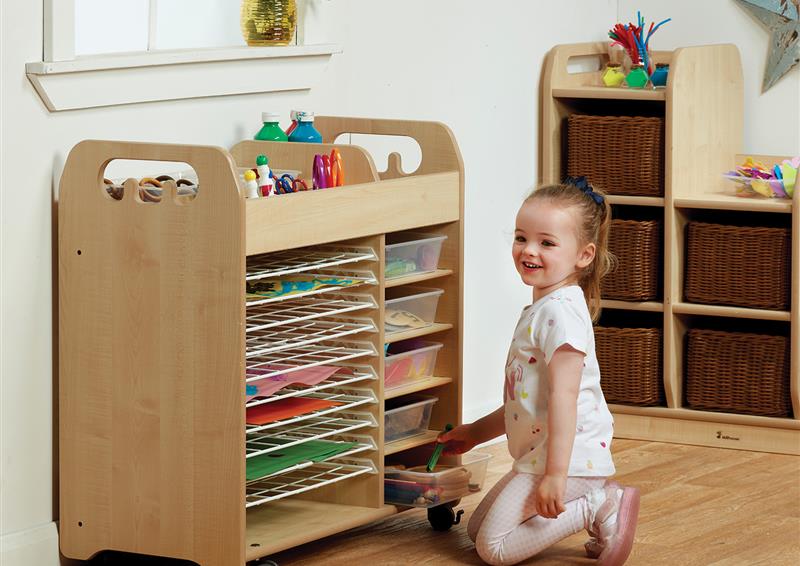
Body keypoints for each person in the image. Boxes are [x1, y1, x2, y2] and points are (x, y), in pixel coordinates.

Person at [437, 178, 640, 565]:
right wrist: (475, 434)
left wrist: (555, 476)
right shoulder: (544, 309)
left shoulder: (561, 315)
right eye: (521, 237)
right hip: (541, 454)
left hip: (570, 459)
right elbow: (525, 403)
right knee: (477, 530)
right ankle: (589, 500)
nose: (529, 250)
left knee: (493, 550)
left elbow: (565, 401)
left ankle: (598, 503)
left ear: (584, 255)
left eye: (547, 242)